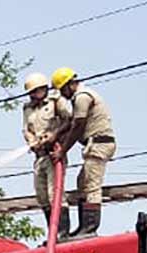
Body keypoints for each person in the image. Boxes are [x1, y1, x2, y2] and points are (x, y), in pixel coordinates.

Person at [50, 67, 116, 237]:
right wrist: (56, 135)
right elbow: (71, 123)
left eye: (62, 90)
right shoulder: (81, 97)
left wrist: (62, 150)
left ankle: (90, 228)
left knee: (91, 185)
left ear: (69, 85)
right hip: (94, 144)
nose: (62, 95)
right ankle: (83, 227)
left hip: (98, 144)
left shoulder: (82, 97)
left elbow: (77, 126)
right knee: (82, 182)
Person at [21, 72, 72, 238]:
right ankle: (53, 234)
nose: (33, 95)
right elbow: (26, 129)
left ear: (43, 89)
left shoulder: (56, 102)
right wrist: (31, 140)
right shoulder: (27, 108)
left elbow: (69, 120)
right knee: (42, 196)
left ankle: (62, 234)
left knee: (54, 194)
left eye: (36, 91)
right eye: (31, 93)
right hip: (39, 156)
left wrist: (54, 135)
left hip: (53, 155)